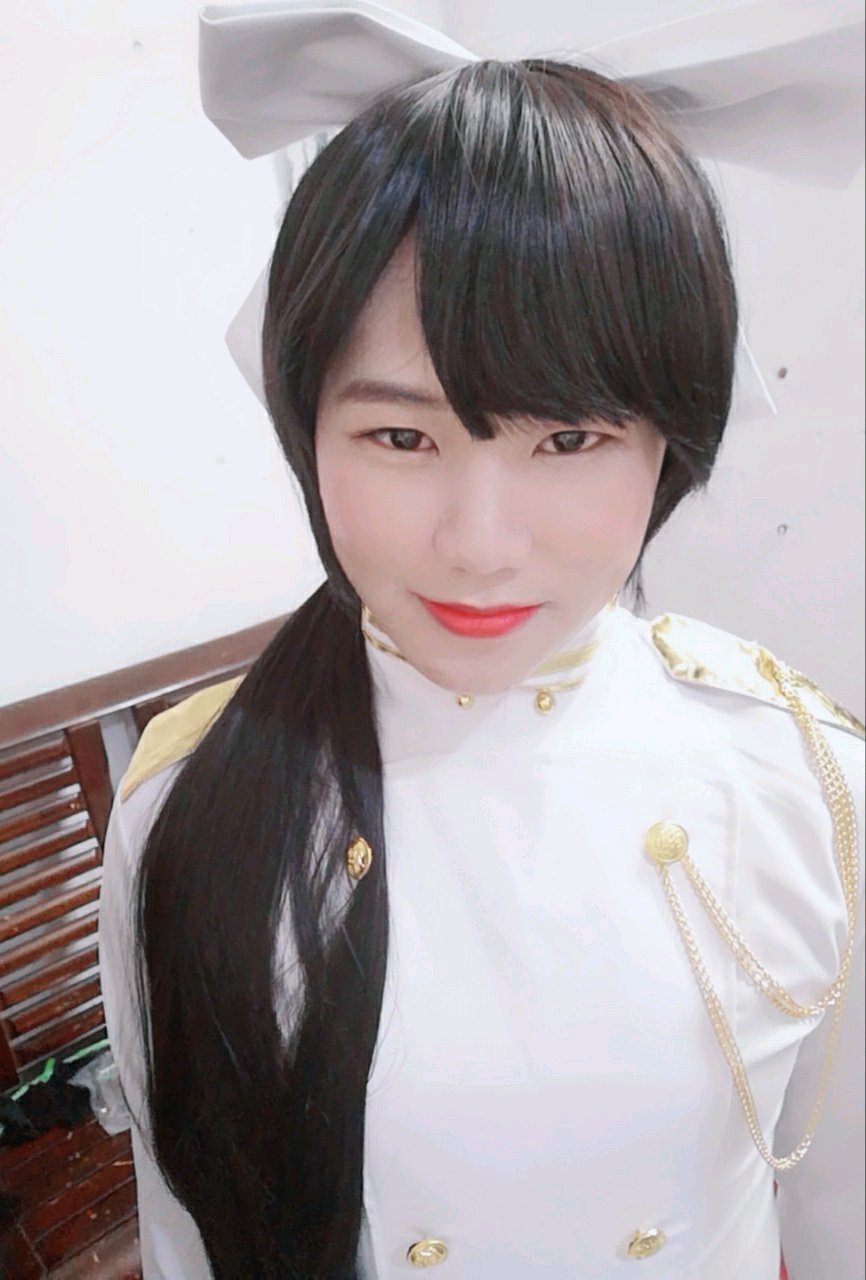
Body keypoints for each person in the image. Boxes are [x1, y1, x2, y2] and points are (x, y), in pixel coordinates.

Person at [97, 4, 865, 1278]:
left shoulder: (808, 778)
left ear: (667, 441)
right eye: (401, 436)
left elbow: (839, 1201)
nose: (480, 544)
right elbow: (186, 1227)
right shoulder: (190, 800)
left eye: (568, 438)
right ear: (305, 430)